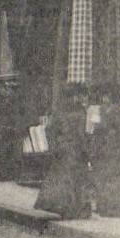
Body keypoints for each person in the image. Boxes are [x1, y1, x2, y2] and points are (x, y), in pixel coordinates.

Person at [36, 85, 92, 219]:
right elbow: (81, 134)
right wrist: (87, 151)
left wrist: (54, 145)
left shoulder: (59, 111)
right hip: (75, 148)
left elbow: (49, 130)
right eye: (80, 95)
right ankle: (75, 209)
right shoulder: (80, 112)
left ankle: (59, 206)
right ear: (76, 96)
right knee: (75, 179)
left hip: (62, 148)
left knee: (61, 177)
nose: (82, 98)